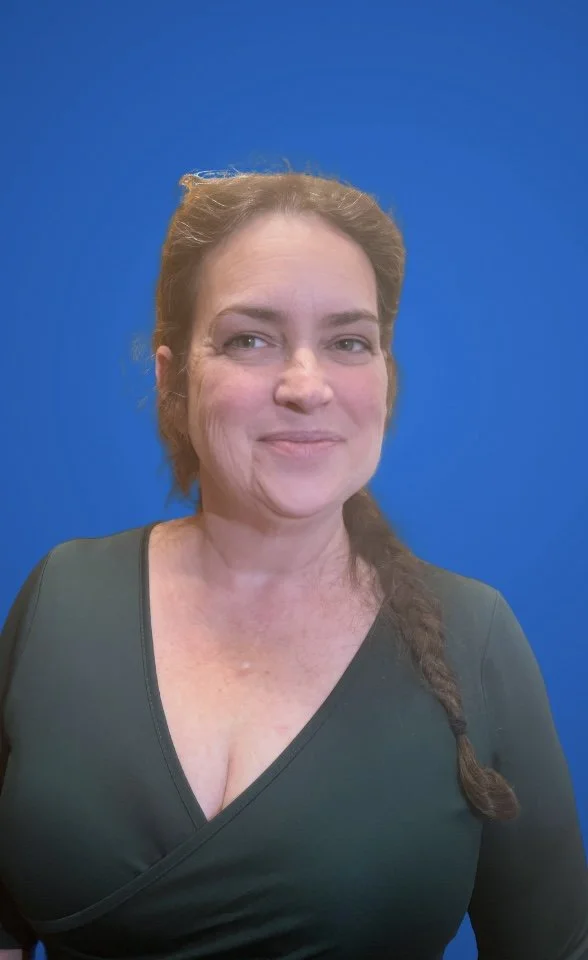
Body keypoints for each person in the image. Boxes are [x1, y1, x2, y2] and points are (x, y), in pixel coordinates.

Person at [0, 167, 586, 960]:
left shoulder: (476, 636)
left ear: (384, 378)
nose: (306, 386)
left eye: (349, 342)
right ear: (174, 380)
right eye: (251, 338)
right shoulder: (62, 596)